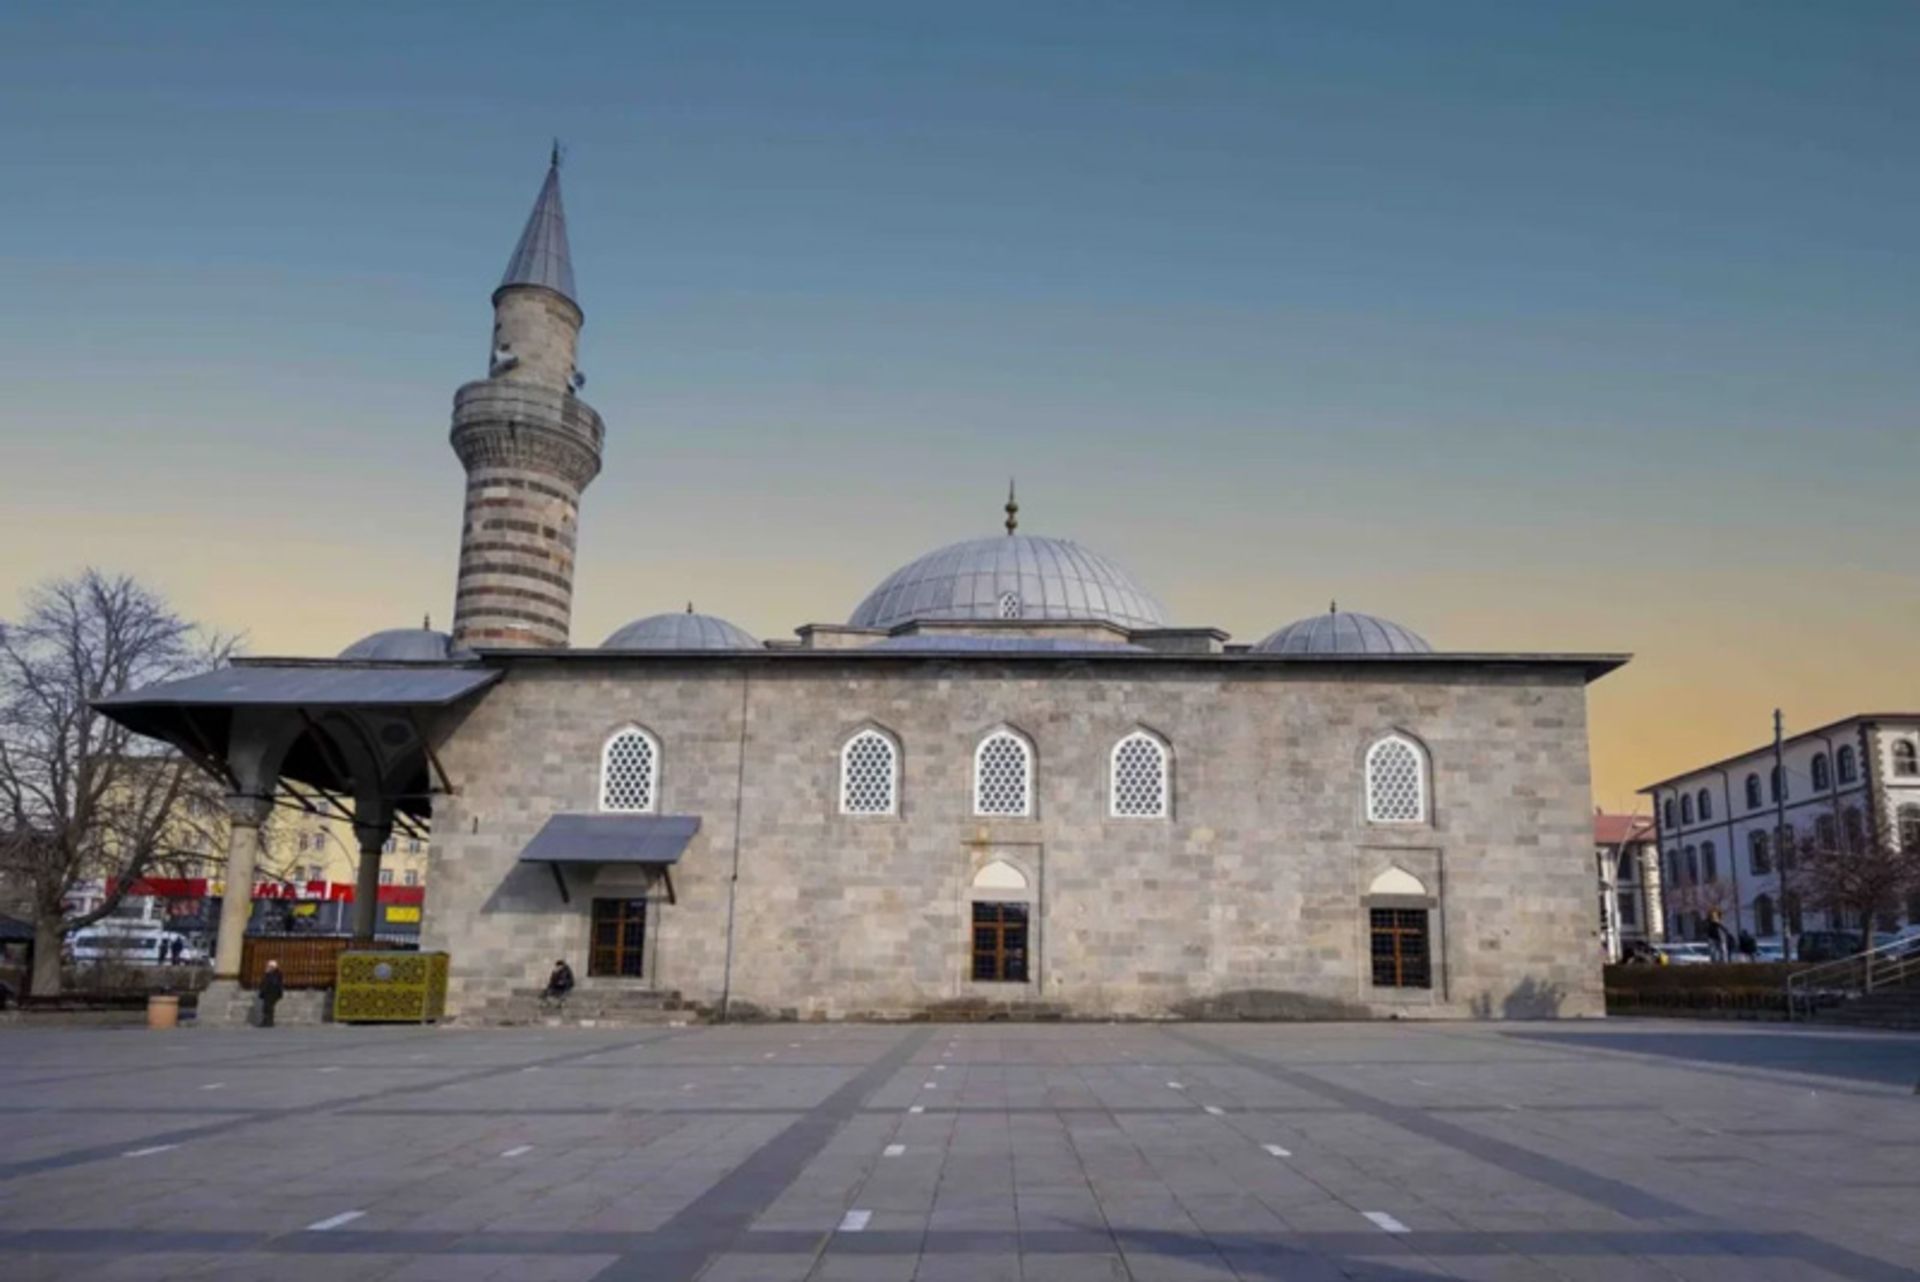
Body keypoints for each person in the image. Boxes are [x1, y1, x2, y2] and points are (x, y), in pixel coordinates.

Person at [258, 959, 285, 1028]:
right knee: (266, 1007)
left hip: (272, 993)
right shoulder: (270, 974)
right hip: (268, 993)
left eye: (269, 966)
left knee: (268, 1007)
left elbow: (273, 983)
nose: (267, 967)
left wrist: (267, 974)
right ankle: (266, 1021)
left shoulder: (276, 974)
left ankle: (268, 1022)